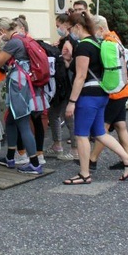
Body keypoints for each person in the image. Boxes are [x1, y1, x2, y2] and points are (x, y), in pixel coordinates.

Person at [62, 11, 128, 184]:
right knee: (100, 133)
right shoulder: (98, 43)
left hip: (88, 96)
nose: (69, 32)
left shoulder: (83, 46)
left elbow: (81, 77)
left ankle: (84, 174)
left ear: (78, 26)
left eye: (70, 28)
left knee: (81, 135)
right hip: (102, 94)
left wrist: (72, 102)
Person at [0, 17, 45, 174]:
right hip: (22, 83)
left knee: (22, 122)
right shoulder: (23, 38)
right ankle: (10, 157)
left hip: (18, 85)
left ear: (1, 31)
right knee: (10, 120)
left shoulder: (14, 42)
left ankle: (34, 163)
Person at [89, 15, 128, 170]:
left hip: (114, 92)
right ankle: (127, 160)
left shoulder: (107, 43)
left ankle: (92, 160)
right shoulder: (115, 38)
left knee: (103, 128)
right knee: (121, 125)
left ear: (101, 29)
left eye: (94, 31)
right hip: (123, 89)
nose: (94, 34)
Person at [44, 13, 78, 161]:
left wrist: (62, 59)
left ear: (66, 25)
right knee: (53, 113)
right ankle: (57, 145)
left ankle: (75, 149)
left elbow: (70, 60)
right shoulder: (65, 40)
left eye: (58, 26)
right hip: (62, 84)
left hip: (66, 84)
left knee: (68, 116)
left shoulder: (70, 41)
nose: (57, 29)